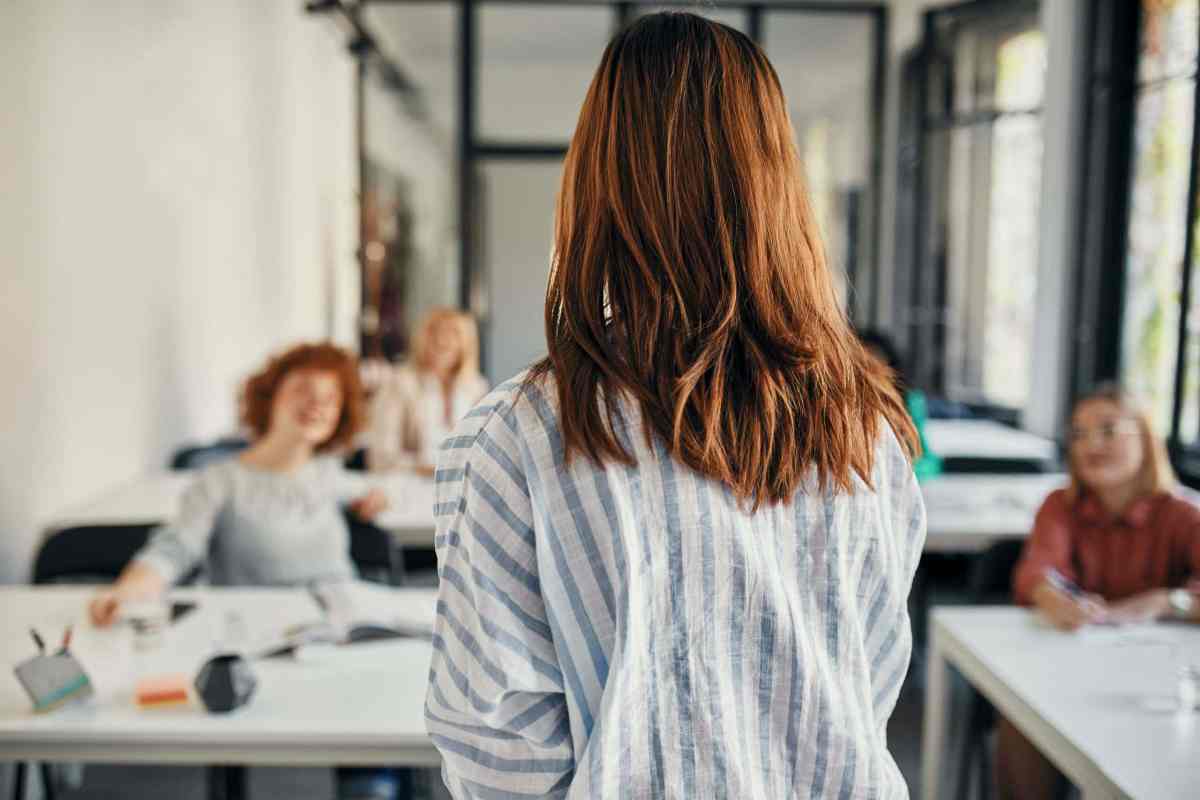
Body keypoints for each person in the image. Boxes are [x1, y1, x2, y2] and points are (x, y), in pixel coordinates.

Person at [424, 13, 926, 798]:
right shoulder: (864, 428)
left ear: (597, 181)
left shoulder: (519, 435)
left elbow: (499, 751)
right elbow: (868, 679)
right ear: (779, 185)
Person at [89, 342, 397, 800]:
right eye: (304, 389)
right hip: (256, 646)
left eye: (331, 399)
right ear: (270, 395)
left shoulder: (328, 474)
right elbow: (173, 550)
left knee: (378, 738)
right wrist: (129, 591)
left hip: (339, 634)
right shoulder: (220, 481)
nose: (318, 404)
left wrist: (372, 498)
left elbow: (367, 490)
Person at [998, 384, 1200, 799]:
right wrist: (1055, 600)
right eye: (1078, 434)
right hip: (1070, 671)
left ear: (1145, 437)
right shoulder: (1060, 505)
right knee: (1022, 717)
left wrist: (1165, 600)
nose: (1091, 444)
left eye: (1108, 430)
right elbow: (1038, 570)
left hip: (1158, 681)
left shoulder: (1183, 514)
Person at [367, 308, 488, 476]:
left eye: (453, 333)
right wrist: (427, 470)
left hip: (463, 487)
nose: (442, 340)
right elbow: (381, 457)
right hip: (409, 487)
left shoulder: (477, 387)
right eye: (434, 332)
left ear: (467, 343)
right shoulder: (399, 383)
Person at [859, 328, 943, 480]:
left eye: (876, 363)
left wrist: (901, 473)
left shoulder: (910, 401)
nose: (871, 372)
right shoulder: (847, 403)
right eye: (864, 364)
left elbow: (928, 460)